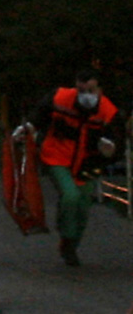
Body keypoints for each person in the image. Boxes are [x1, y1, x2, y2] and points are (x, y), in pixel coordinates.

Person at [14, 68, 120, 267]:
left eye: (90, 90)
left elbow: (116, 141)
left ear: (100, 89)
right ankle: (67, 236)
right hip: (56, 157)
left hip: (87, 164)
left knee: (83, 207)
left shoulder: (108, 112)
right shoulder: (60, 98)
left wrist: (110, 149)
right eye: (81, 90)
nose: (85, 96)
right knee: (70, 195)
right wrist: (27, 127)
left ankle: (70, 244)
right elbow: (40, 115)